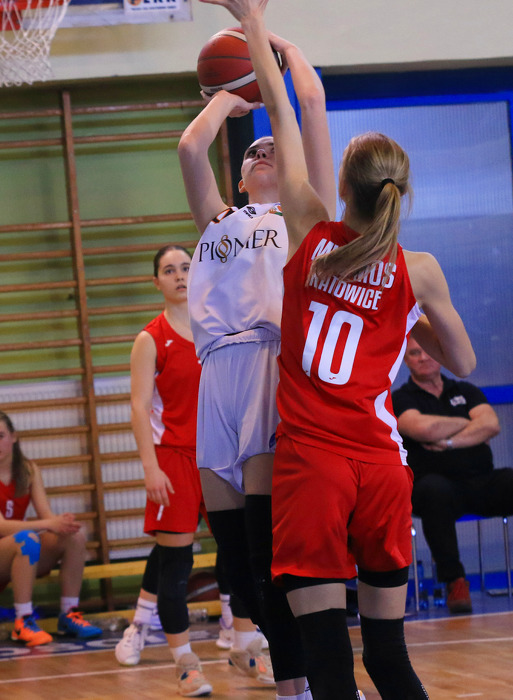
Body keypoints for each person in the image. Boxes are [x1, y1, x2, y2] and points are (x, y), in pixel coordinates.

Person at [202, 1, 477, 698]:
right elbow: (465, 364)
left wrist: (253, 21)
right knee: (389, 657)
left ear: (342, 192)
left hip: (313, 466)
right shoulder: (419, 270)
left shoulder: (311, 233)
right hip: (382, 467)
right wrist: (408, 319)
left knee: (327, 664)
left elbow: (284, 110)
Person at [179, 21, 336, 700]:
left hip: (272, 369)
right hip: (216, 377)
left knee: (274, 558)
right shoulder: (217, 222)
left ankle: (302, 685)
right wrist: (229, 95)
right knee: (240, 569)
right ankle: (289, 675)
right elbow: (191, 146)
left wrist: (276, 51)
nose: (266, 151)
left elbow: (309, 105)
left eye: (275, 148)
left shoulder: (305, 216)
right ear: (240, 181)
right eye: (254, 152)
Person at [114, 245, 266, 697]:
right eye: (169, 270)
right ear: (156, 281)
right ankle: (185, 663)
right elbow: (139, 407)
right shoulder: (150, 339)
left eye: (186, 267)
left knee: (241, 554)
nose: (180, 275)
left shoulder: (218, 327)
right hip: (175, 460)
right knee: (176, 566)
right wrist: (150, 467)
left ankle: (246, 646)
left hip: (222, 455)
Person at [392, 337, 512, 614]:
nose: (423, 357)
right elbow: (422, 429)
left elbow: (491, 424)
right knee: (435, 490)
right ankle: (454, 581)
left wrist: (448, 441)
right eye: (415, 353)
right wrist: (470, 424)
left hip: (481, 481)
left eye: (428, 351)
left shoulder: (466, 390)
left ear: (441, 355)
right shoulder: (401, 398)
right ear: (406, 361)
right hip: (433, 487)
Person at [0, 410, 102, 647]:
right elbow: (2, 526)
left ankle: (69, 614)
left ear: (14, 437)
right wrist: (48, 524)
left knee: (74, 535)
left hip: (17, 553)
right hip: (8, 549)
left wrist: (61, 523)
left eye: (0, 436)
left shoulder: (28, 469)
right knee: (27, 539)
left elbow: (46, 515)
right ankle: (23, 620)